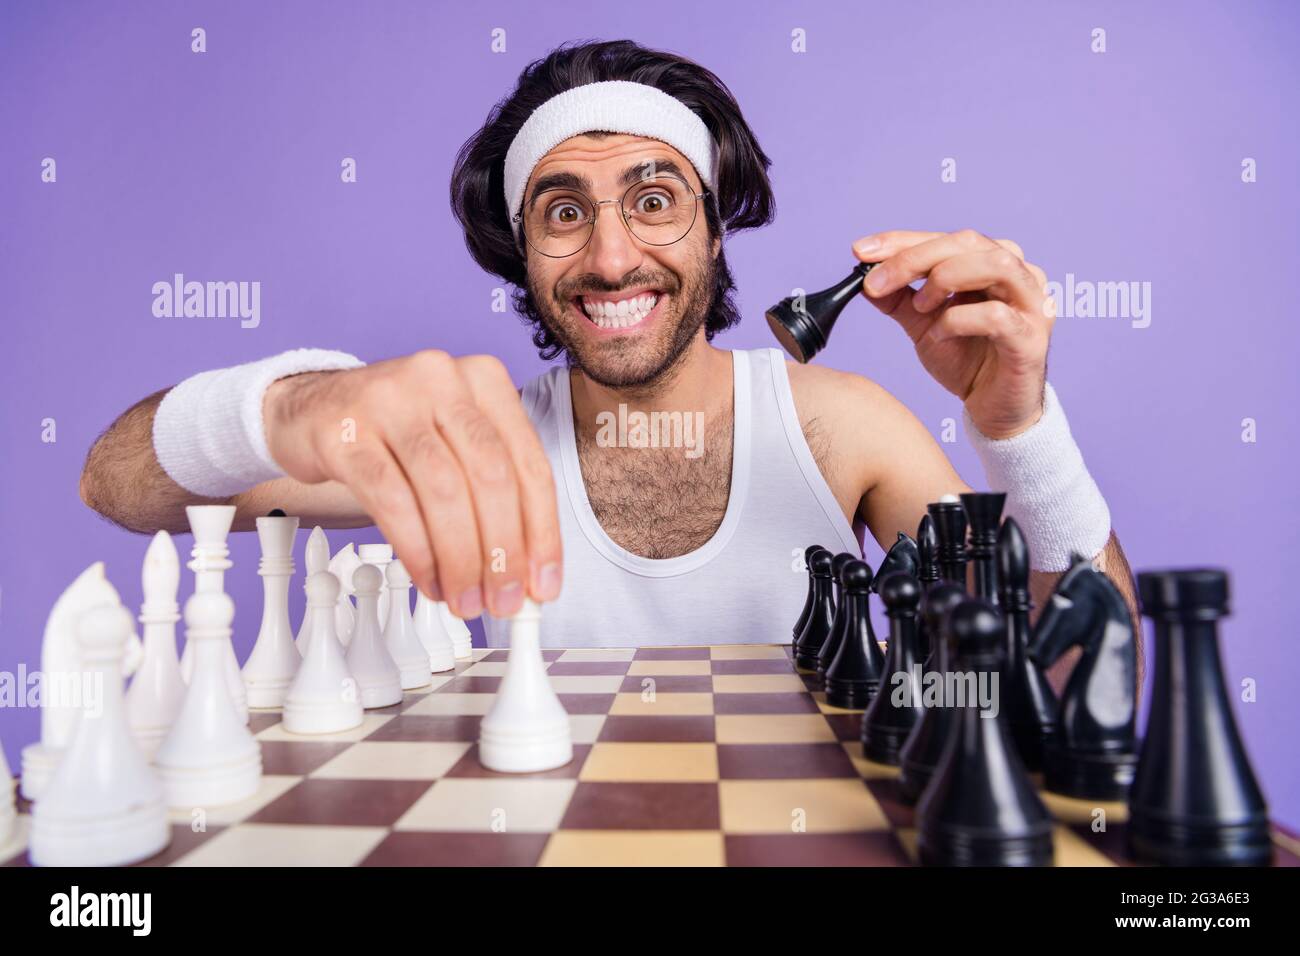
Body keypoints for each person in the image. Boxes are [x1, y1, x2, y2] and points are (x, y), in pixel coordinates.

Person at [79, 40, 1136, 679]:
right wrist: (292, 405)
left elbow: (1085, 667)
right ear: (524, 254)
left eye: (653, 200)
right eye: (564, 210)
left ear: (715, 234)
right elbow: (116, 482)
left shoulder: (839, 424)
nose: (612, 253)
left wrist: (1019, 427)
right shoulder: (462, 439)